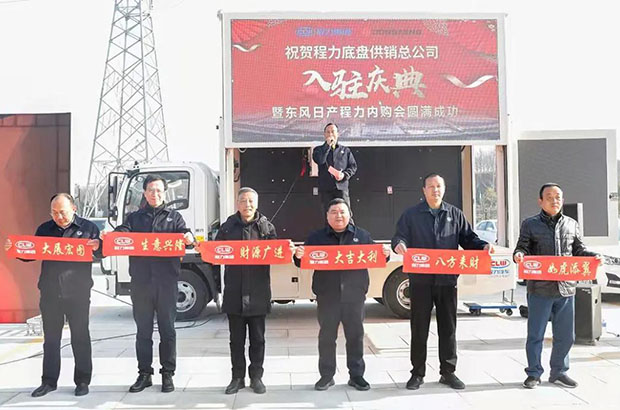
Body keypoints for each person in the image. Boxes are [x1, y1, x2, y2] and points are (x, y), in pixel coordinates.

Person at [391, 173, 493, 391]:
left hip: (447, 281)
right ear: (424, 190)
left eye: (439, 186)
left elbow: (469, 239)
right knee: (419, 328)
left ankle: (448, 372)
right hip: (420, 281)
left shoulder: (455, 214)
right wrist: (399, 244)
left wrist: (483, 246)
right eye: (431, 186)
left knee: (448, 328)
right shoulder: (411, 215)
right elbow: (399, 237)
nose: (435, 190)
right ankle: (417, 373)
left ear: (444, 189)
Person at [5, 193, 101, 397]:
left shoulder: (88, 228)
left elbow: (100, 253)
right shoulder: (44, 230)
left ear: (74, 209)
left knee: (80, 337)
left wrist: (99, 246)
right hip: (50, 292)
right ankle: (48, 381)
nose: (59, 217)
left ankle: (82, 381)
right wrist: (15, 250)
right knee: (51, 339)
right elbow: (32, 253)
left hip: (78, 293)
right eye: (54, 213)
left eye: (63, 212)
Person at [294, 198, 390, 391]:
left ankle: (356, 376)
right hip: (327, 296)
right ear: (327, 216)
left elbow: (377, 257)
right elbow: (302, 261)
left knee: (355, 336)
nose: (338, 215)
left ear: (349, 215)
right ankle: (326, 376)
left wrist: (386, 254)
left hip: (354, 296)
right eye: (334, 212)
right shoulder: (316, 237)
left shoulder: (362, 236)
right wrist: (297, 256)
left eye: (342, 212)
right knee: (327, 337)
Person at [514, 183, 602, 389]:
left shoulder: (572, 224)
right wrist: (518, 255)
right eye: (549, 197)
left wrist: (593, 256)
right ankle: (534, 373)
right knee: (535, 335)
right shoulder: (530, 224)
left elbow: (579, 250)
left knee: (566, 336)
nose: (554, 200)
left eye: (558, 197)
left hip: (565, 289)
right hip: (539, 289)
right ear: (540, 201)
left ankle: (559, 371)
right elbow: (522, 247)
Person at [112, 174, 194, 393]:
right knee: (143, 331)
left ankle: (168, 373)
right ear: (144, 193)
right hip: (141, 283)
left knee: (168, 330)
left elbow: (185, 236)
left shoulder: (174, 218)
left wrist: (188, 237)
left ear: (164, 193)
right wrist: (112, 236)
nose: (154, 194)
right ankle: (144, 374)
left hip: (166, 283)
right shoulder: (134, 218)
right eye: (150, 190)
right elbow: (122, 233)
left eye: (158, 190)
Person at [215, 187, 285, 395]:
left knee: (258, 340)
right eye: (244, 201)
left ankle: (256, 377)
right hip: (234, 292)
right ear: (237, 204)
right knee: (236, 341)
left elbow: (276, 253)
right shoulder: (227, 227)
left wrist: (287, 250)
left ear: (257, 203)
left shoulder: (266, 227)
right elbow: (215, 252)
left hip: (258, 292)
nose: (248, 205)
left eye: (251, 201)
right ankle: (237, 378)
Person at [312, 123, 357, 214]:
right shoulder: (318, 150)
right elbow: (320, 161)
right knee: (328, 213)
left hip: (341, 187)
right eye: (328, 132)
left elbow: (353, 166)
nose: (330, 134)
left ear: (338, 134)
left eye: (333, 131)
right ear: (324, 135)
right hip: (326, 188)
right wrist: (327, 146)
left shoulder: (345, 150)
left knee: (345, 212)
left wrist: (344, 175)